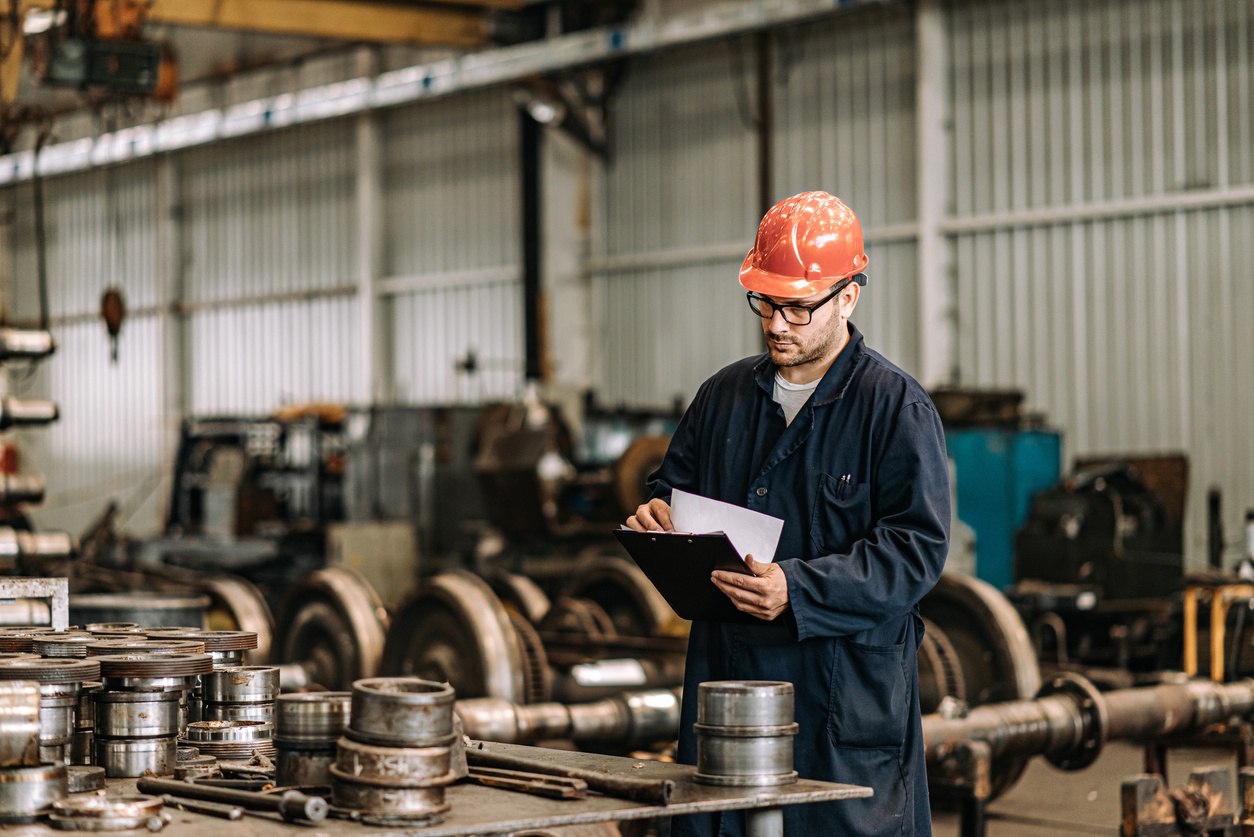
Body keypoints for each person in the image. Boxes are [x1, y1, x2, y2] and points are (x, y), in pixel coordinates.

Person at [625, 191, 950, 836]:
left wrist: (796, 589)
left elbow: (915, 549)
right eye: (765, 304)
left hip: (840, 704)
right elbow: (674, 489)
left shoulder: (895, 409)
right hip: (728, 685)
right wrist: (658, 517)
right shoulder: (721, 397)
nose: (777, 324)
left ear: (849, 296)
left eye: (798, 308)